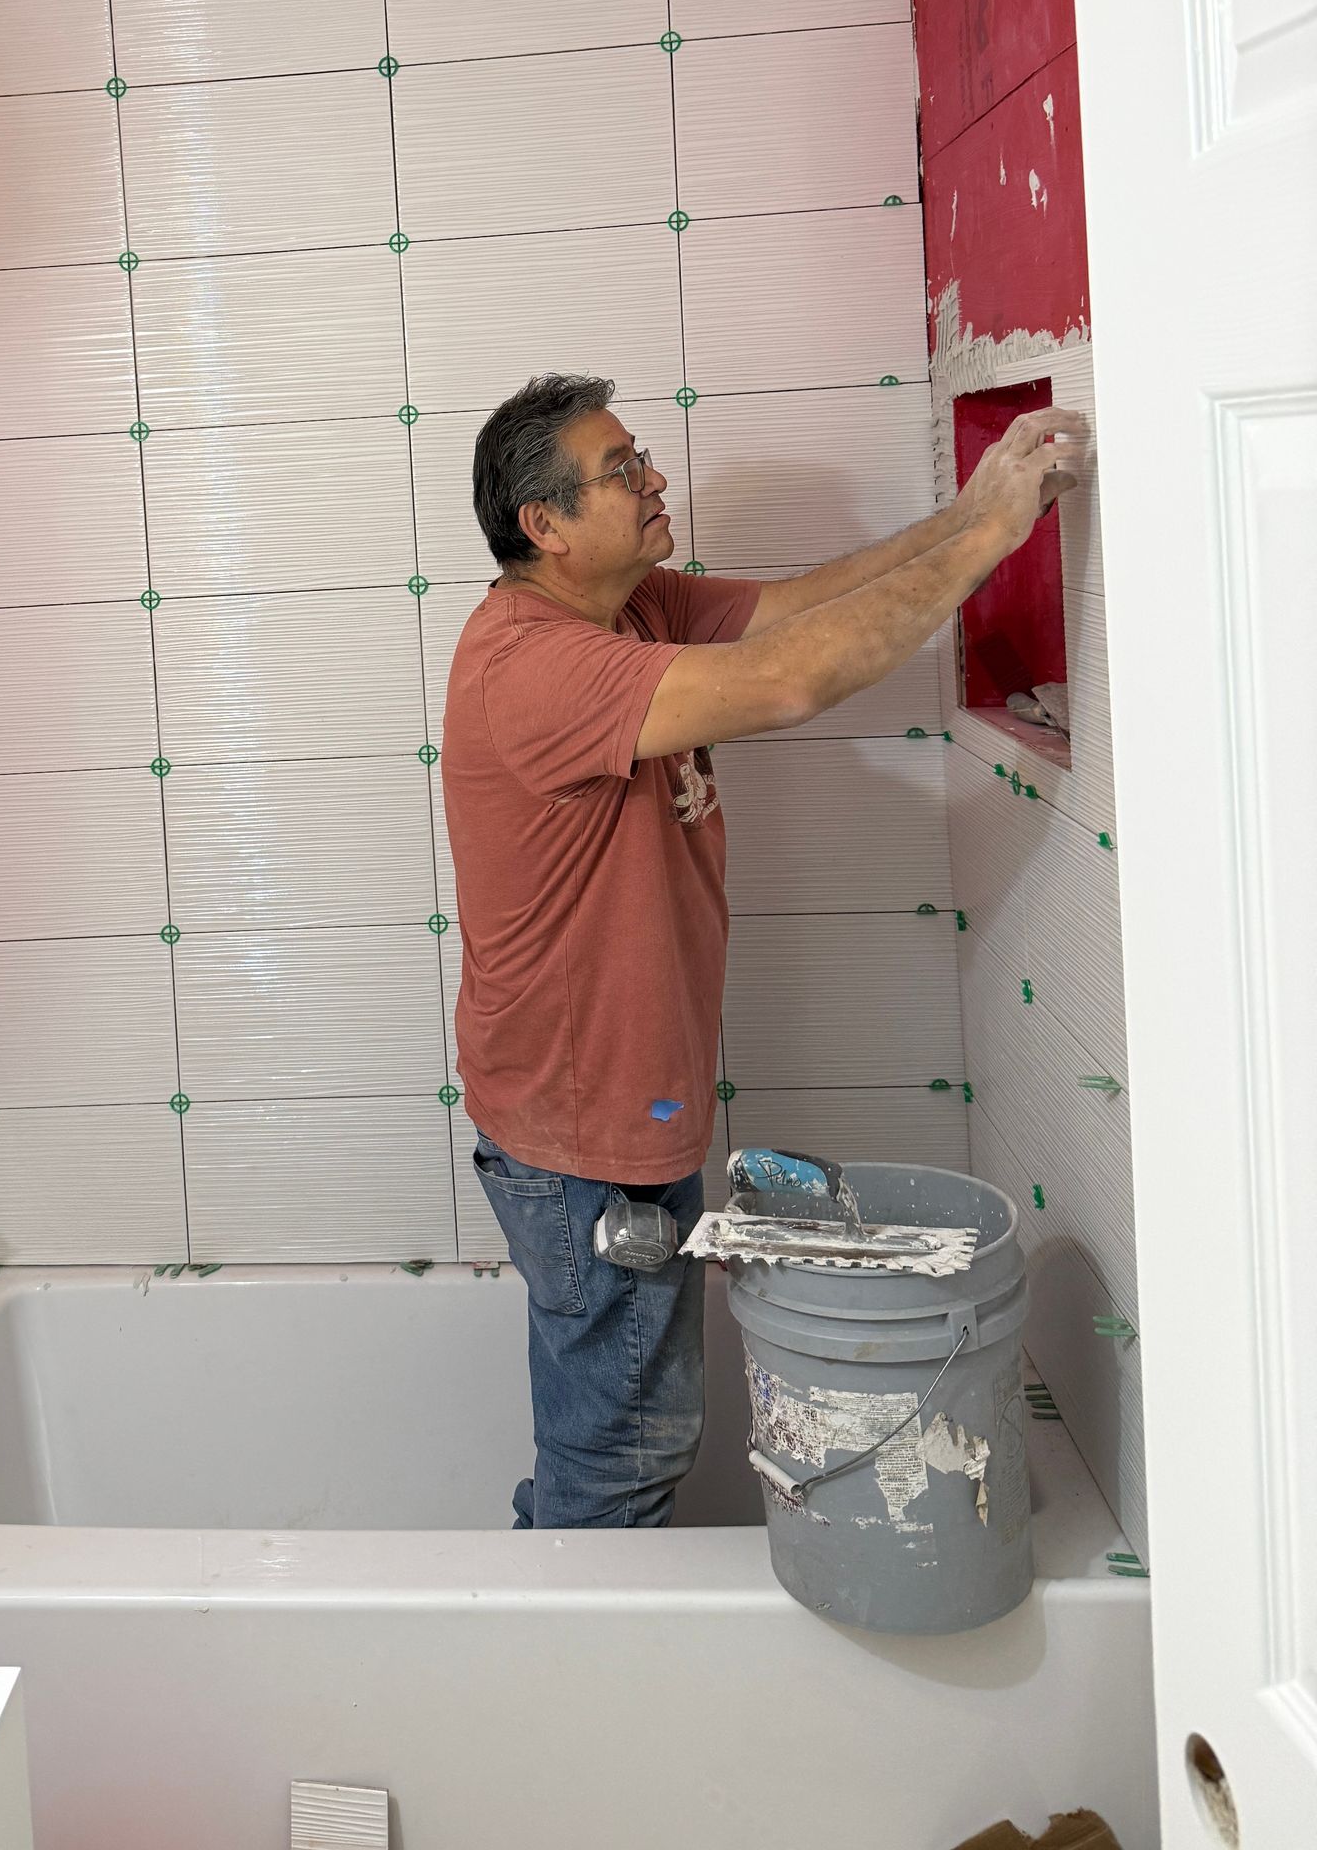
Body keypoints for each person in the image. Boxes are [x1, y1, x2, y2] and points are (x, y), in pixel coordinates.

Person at [442, 371, 1085, 1530]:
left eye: (645, 458)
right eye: (623, 471)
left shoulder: (631, 609)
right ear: (544, 527)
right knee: (623, 1452)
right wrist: (991, 526)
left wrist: (974, 515)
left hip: (610, 1113)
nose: (654, 481)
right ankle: (573, 1680)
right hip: (584, 1138)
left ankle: (559, 1615)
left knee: (614, 1434)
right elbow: (790, 679)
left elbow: (798, 609)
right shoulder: (530, 664)